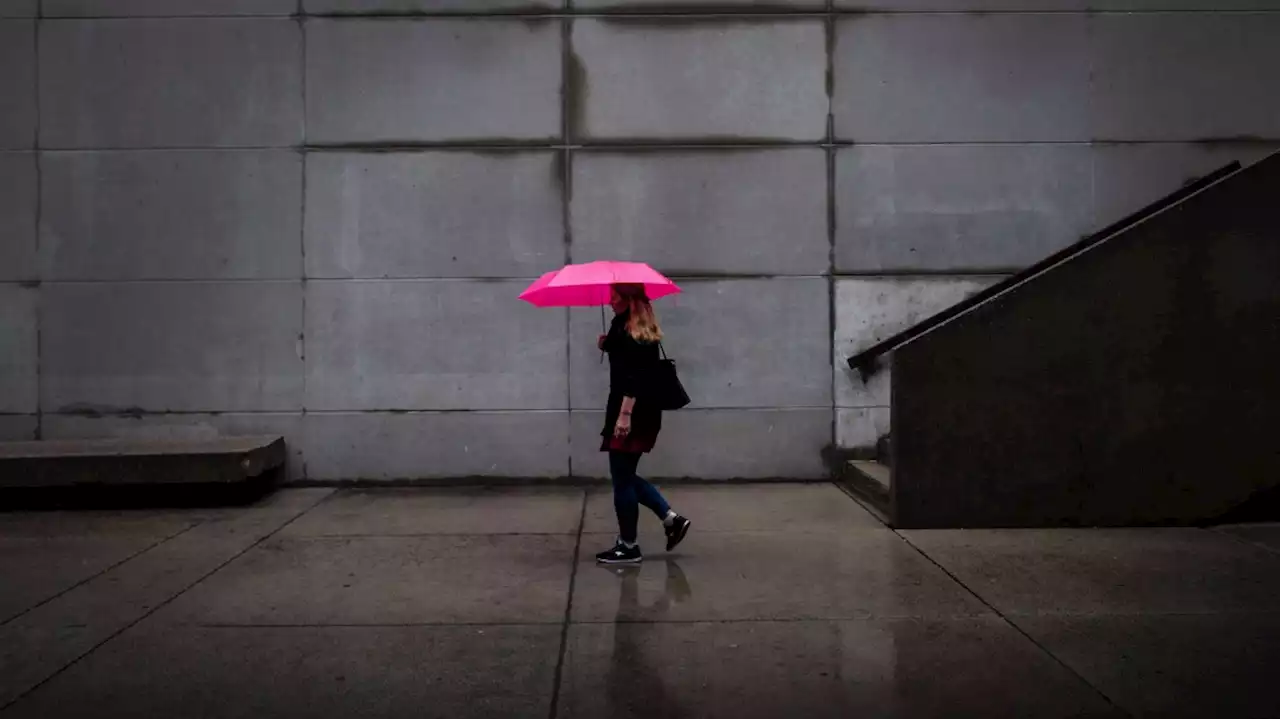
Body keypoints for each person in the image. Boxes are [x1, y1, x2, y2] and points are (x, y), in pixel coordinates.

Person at [595, 283, 691, 565]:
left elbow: (632, 377)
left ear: (627, 299)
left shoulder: (630, 333)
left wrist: (624, 415)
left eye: (614, 297)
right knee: (625, 476)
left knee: (622, 480)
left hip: (631, 410)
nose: (609, 301)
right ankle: (671, 520)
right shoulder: (633, 327)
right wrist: (606, 343)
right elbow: (625, 355)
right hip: (643, 410)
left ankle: (629, 546)